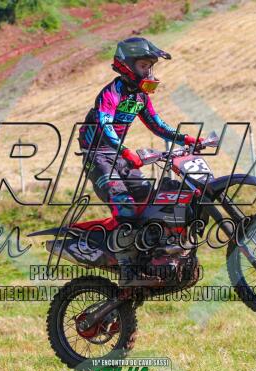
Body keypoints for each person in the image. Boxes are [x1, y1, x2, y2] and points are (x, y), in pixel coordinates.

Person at [78, 37, 202, 286]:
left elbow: (157, 125)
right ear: (127, 65)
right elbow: (105, 124)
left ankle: (152, 258)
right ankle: (128, 272)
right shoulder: (111, 92)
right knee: (125, 207)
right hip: (98, 157)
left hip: (119, 156)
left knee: (149, 202)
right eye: (144, 66)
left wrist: (185, 138)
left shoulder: (141, 97)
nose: (148, 72)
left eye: (150, 67)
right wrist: (125, 151)